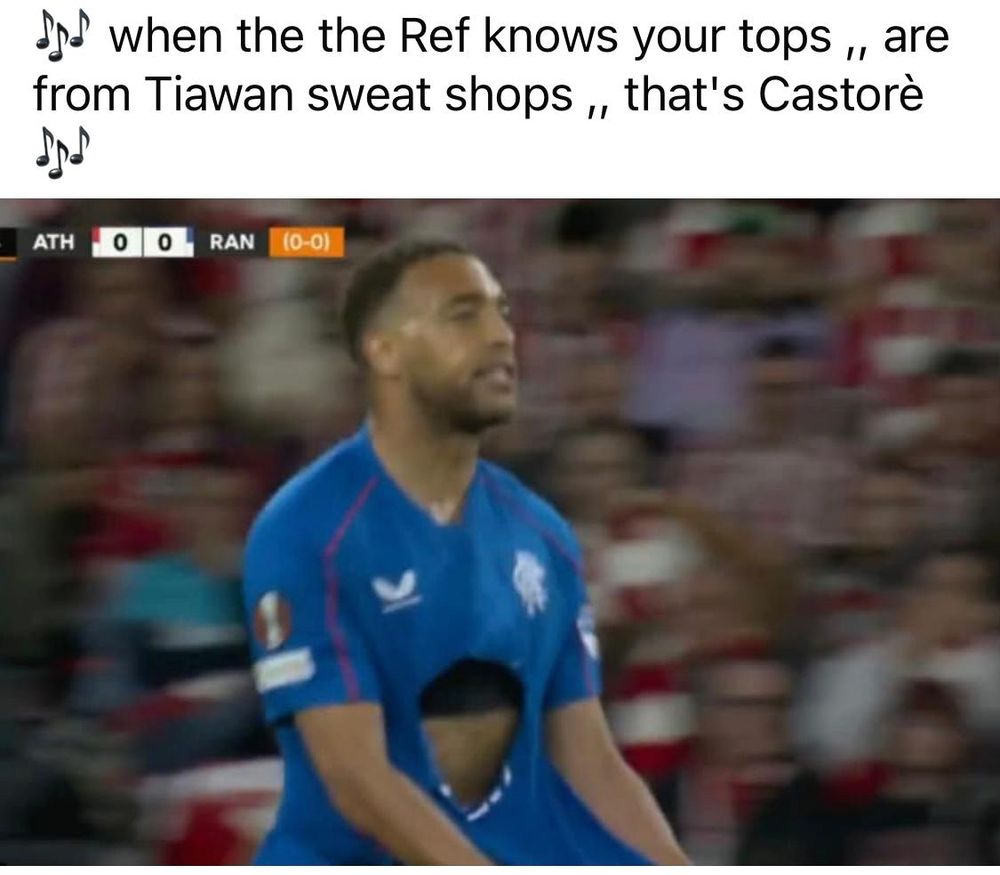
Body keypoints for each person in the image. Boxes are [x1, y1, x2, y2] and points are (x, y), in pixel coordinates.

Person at [241, 240, 688, 865]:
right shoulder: (307, 528)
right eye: (463, 315)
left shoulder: (542, 535)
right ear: (385, 351)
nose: (501, 336)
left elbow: (591, 763)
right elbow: (357, 780)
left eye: (502, 313)